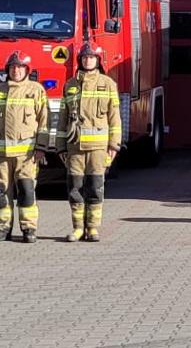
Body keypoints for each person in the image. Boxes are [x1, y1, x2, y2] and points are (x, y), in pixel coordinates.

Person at [0, 50, 49, 243]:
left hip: (26, 155)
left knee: (27, 192)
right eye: (13, 67)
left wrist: (41, 148)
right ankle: (2, 229)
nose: (16, 71)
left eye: (20, 67)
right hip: (1, 155)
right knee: (0, 193)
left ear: (27, 69)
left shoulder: (36, 90)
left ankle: (29, 229)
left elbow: (44, 122)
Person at [62, 42, 122, 243]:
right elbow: (63, 118)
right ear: (80, 60)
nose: (88, 60)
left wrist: (114, 145)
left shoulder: (108, 84)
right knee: (75, 189)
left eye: (92, 57)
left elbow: (115, 118)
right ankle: (78, 228)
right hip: (75, 147)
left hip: (98, 148)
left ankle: (93, 228)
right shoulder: (70, 85)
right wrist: (61, 146)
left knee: (95, 188)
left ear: (98, 60)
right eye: (85, 57)